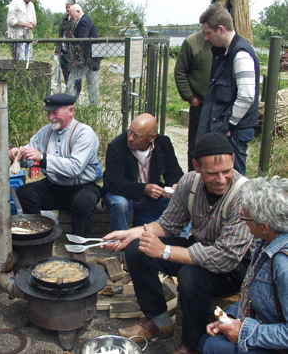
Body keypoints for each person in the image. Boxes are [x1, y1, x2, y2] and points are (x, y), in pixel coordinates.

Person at [103, 132, 254, 354]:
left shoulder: (244, 194)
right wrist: (131, 234)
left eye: (226, 171)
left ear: (233, 159)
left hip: (234, 266)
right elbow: (168, 225)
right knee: (138, 248)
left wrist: (165, 251)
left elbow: (225, 258)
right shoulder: (188, 183)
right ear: (196, 166)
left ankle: (189, 346)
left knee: (190, 277)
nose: (221, 180)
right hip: (199, 247)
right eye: (212, 174)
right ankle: (157, 319)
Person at [200, 176, 288, 354]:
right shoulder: (267, 244)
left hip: (277, 343)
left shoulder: (283, 264)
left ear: (264, 227)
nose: (243, 221)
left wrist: (244, 331)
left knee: (213, 347)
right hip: (263, 325)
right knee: (206, 340)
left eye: (245, 218)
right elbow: (259, 299)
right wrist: (231, 317)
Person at [9, 93, 101, 240]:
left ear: (71, 111)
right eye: (48, 112)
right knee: (24, 194)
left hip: (80, 187)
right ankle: (38, 237)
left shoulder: (84, 133)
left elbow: (74, 168)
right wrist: (18, 156)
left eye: (55, 112)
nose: (50, 117)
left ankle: (78, 244)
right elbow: (31, 157)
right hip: (52, 187)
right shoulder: (45, 131)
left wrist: (43, 158)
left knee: (85, 201)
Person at [197, 3, 260, 176]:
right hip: (232, 129)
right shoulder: (228, 52)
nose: (207, 38)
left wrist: (229, 124)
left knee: (235, 180)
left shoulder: (240, 54)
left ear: (221, 29)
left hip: (236, 131)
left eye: (209, 32)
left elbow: (247, 96)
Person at [102, 113, 184, 231]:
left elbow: (174, 172)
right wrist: (144, 189)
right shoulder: (116, 146)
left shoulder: (163, 143)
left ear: (152, 137)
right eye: (129, 132)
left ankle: (175, 241)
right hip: (123, 194)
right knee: (120, 204)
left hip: (151, 197)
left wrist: (174, 186)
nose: (130, 138)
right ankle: (120, 244)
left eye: (137, 136)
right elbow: (114, 182)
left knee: (180, 200)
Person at [174, 30, 212, 172]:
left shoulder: (228, 41)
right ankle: (193, 184)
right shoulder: (192, 42)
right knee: (196, 148)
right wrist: (190, 97)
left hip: (221, 106)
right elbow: (180, 71)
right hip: (200, 105)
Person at [66, 4, 101, 106]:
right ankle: (94, 105)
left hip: (86, 58)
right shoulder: (83, 20)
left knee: (73, 80)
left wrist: (77, 57)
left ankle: (68, 103)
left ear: (78, 11)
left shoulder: (84, 21)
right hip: (91, 58)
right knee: (92, 83)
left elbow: (81, 41)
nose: (70, 17)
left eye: (71, 14)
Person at [56, 0, 76, 85]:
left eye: (69, 7)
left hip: (71, 51)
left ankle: (74, 93)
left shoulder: (76, 19)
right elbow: (60, 33)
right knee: (65, 72)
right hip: (63, 50)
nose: (67, 9)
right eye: (66, 7)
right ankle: (68, 89)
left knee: (73, 74)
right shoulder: (64, 19)